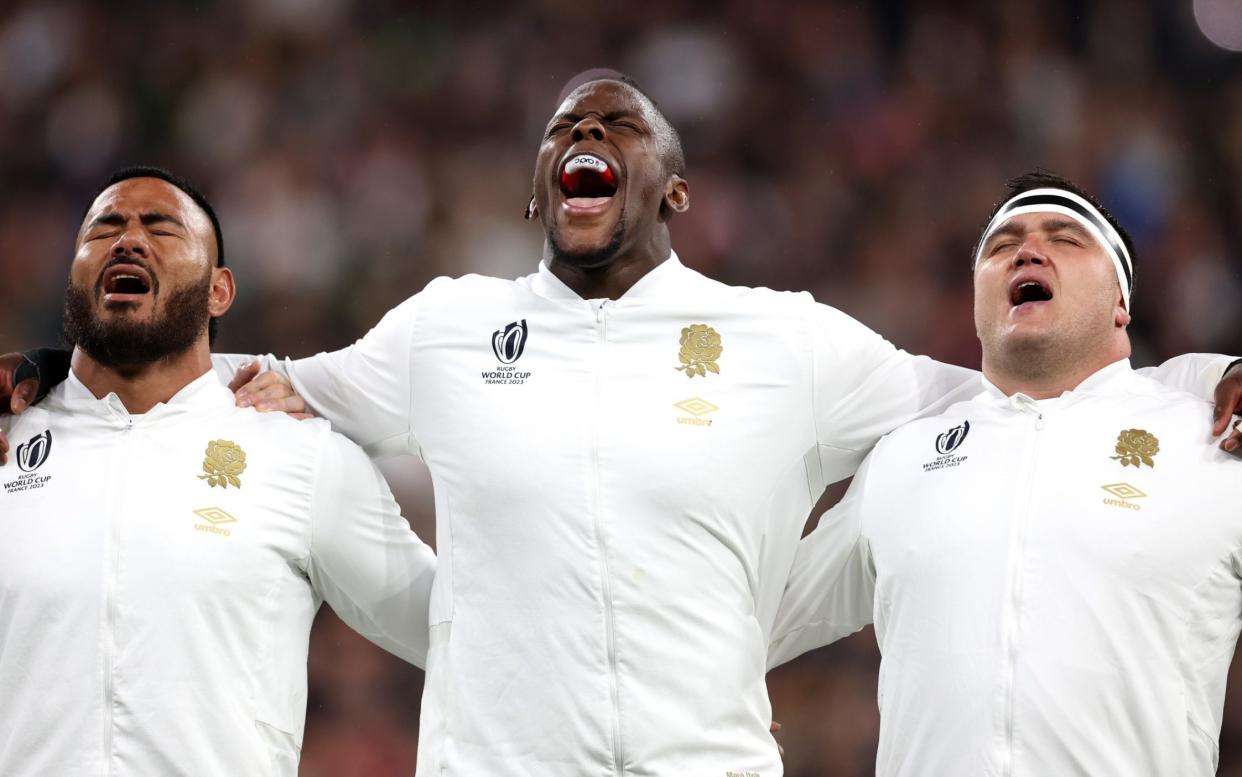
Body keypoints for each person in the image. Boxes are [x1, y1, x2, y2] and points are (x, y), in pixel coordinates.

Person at [2, 75, 1238, 776]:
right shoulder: (443, 329)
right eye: (562, 133)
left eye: (618, 127)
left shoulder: (788, 339)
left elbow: (1005, 401)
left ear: (676, 190)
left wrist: (1188, 389)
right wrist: (56, 375)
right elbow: (256, 380)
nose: (584, 137)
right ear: (540, 188)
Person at [767, 171, 1242, 776]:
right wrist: (719, 704)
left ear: (1122, 301)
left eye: (1066, 239)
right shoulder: (903, 456)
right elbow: (757, 624)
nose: (1027, 249)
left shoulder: (1213, 441)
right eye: (1001, 245)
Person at [0, 167, 437, 776]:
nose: (127, 240)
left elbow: (447, 630)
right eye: (103, 229)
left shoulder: (299, 457)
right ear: (72, 275)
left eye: (161, 227)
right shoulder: (7, 440)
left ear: (219, 290)